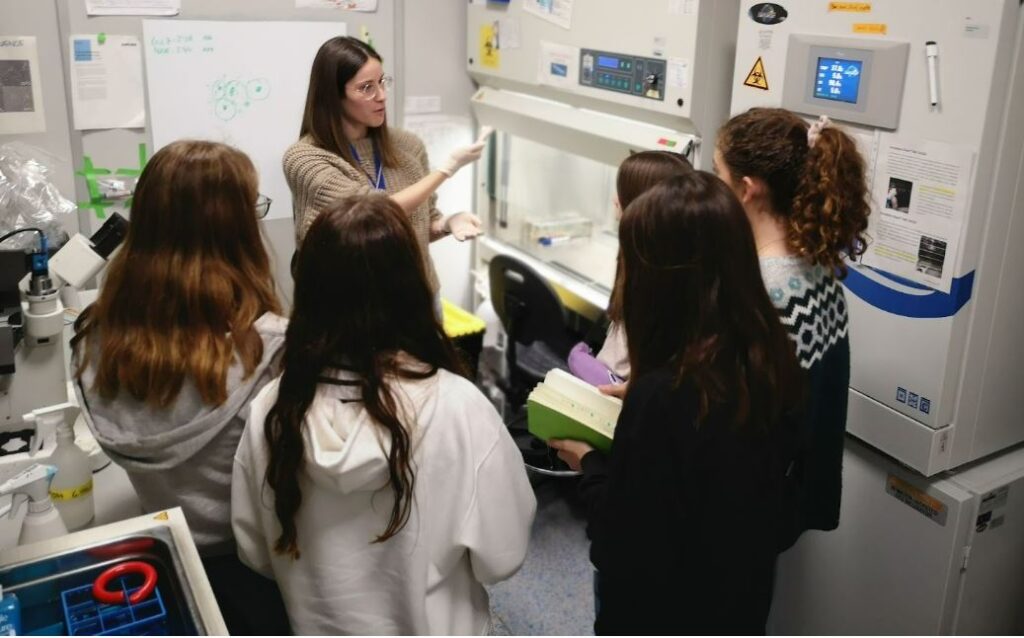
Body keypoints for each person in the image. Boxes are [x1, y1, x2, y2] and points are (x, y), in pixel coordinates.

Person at [231, 193, 536, 635]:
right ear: (412, 288)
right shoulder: (458, 409)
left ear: (309, 290)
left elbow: (255, 550)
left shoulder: (274, 407)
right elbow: (502, 556)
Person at [550, 173, 803, 634]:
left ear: (663, 280)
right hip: (738, 603)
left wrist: (588, 463)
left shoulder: (663, 395)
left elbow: (621, 545)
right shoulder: (767, 354)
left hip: (664, 613)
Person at [71, 140, 291, 635]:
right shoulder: (273, 347)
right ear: (234, 229)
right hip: (256, 569)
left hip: (160, 556)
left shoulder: (92, 338)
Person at [713, 108, 870, 543]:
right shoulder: (819, 273)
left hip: (733, 515)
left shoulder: (758, 293)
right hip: (781, 499)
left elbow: (724, 421)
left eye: (718, 173)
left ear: (747, 189)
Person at [284, 36, 487, 300]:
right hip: (349, 306)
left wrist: (448, 223)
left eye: (382, 82)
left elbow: (419, 226)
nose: (381, 96)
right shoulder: (305, 159)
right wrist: (446, 169)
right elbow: (372, 214)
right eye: (366, 88)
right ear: (334, 96)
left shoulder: (408, 146)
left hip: (416, 297)